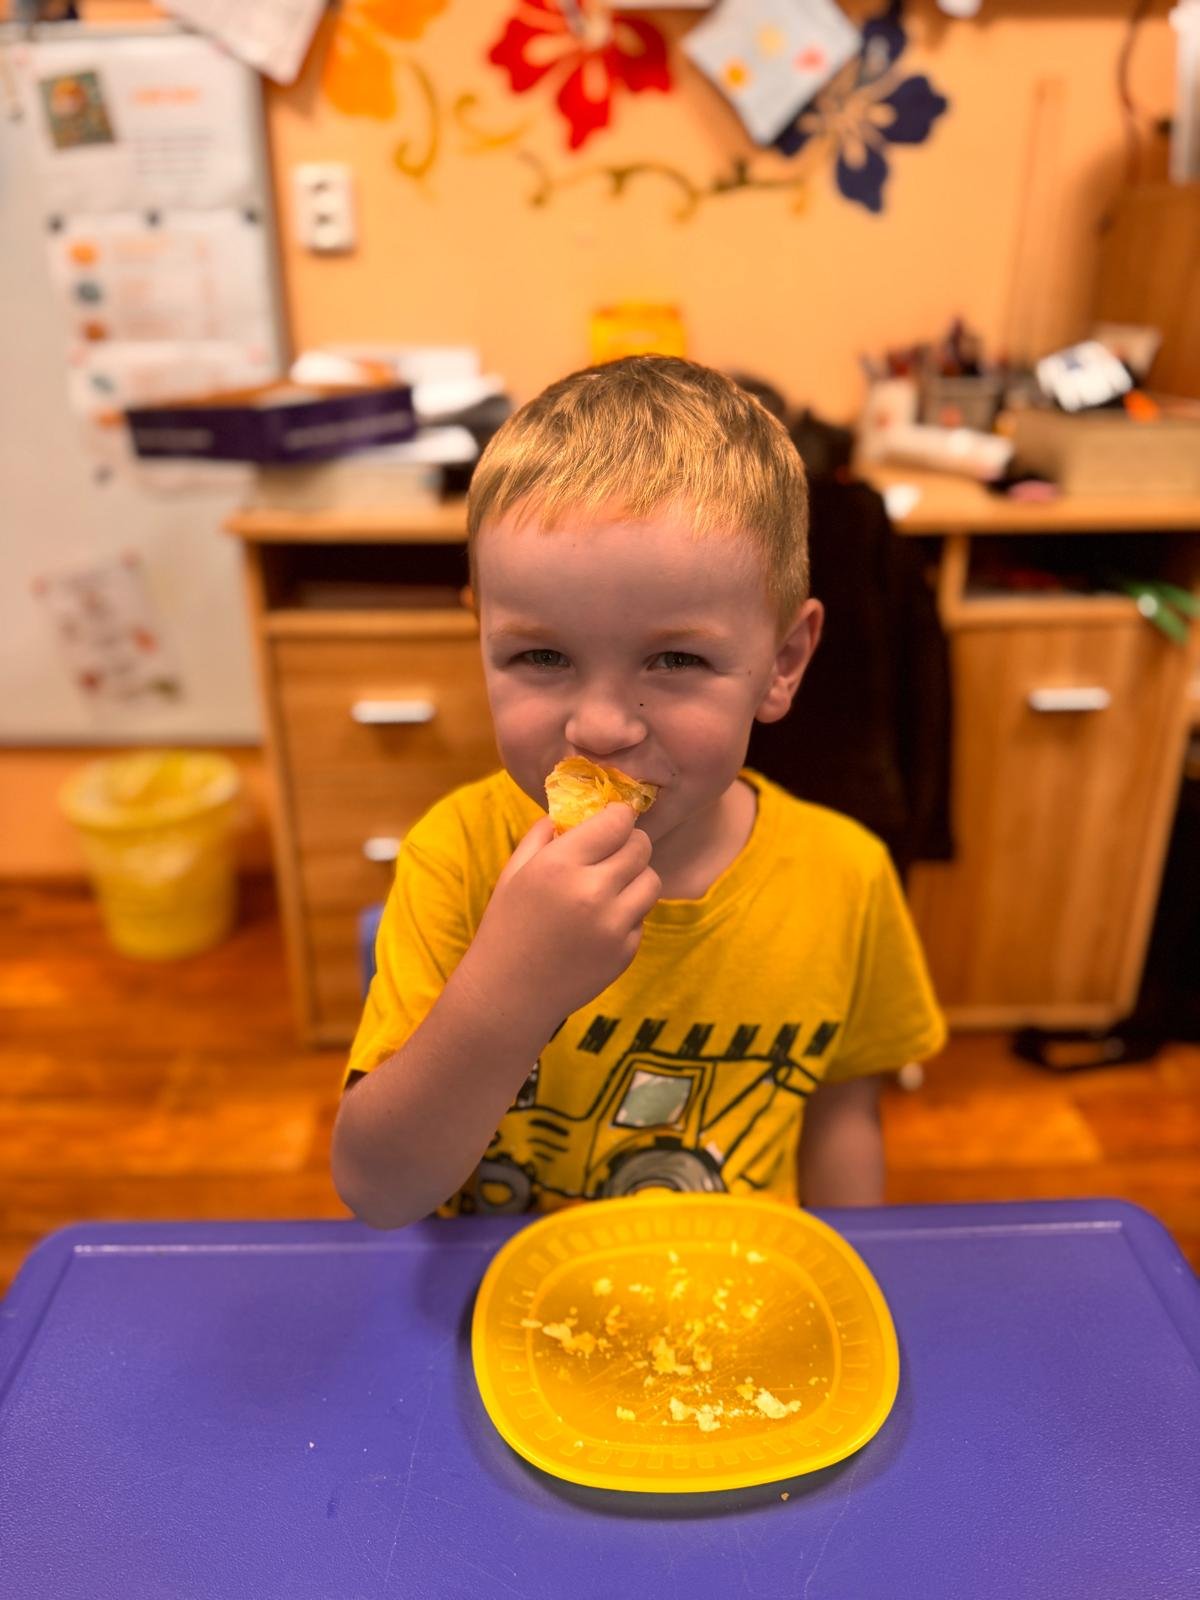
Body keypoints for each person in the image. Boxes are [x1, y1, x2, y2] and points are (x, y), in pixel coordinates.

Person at [331, 355, 946, 1229]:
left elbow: (844, 1116)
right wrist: (511, 987)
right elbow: (377, 1190)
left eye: (675, 659)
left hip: (729, 1285)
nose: (601, 727)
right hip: (497, 1288)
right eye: (541, 655)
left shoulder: (850, 878)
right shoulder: (456, 856)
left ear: (782, 663)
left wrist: (852, 1261)